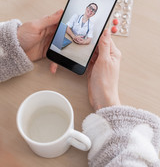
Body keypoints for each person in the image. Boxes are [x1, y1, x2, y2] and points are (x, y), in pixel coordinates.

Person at [0, 10, 160, 166]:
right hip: (70, 42)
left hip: (75, 46)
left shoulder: (89, 24)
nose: (90, 12)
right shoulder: (76, 17)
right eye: (89, 8)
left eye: (94, 11)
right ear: (86, 9)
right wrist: (107, 104)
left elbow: (89, 39)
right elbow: (68, 28)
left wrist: (11, 48)